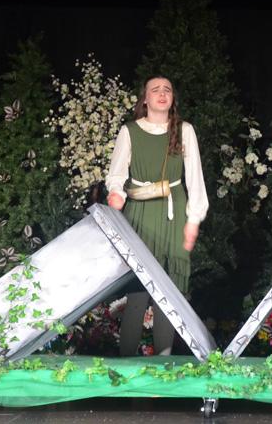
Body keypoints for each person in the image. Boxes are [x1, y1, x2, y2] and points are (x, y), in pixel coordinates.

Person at [105, 75, 208, 355]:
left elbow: (195, 178)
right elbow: (117, 173)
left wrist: (193, 220)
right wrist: (116, 193)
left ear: (172, 99)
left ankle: (164, 358)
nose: (162, 94)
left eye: (167, 90)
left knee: (169, 289)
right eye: (155, 90)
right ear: (145, 99)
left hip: (174, 213)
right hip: (140, 212)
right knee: (138, 287)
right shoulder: (129, 131)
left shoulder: (185, 130)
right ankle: (126, 360)